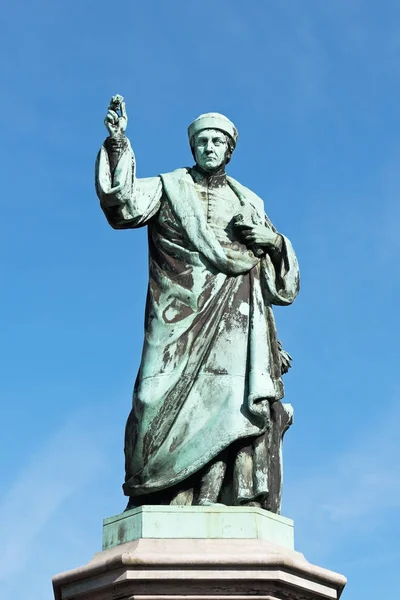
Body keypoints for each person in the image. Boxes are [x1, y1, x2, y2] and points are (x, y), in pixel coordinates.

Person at [95, 96, 300, 511]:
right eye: (202, 141)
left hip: (235, 320)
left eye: (217, 141)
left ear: (229, 150)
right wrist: (117, 146)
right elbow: (125, 204)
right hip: (175, 315)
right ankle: (157, 493)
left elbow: (279, 287)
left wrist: (274, 243)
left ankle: (208, 495)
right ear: (194, 148)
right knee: (152, 399)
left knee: (229, 402)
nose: (209, 147)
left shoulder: (250, 204)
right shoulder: (171, 187)